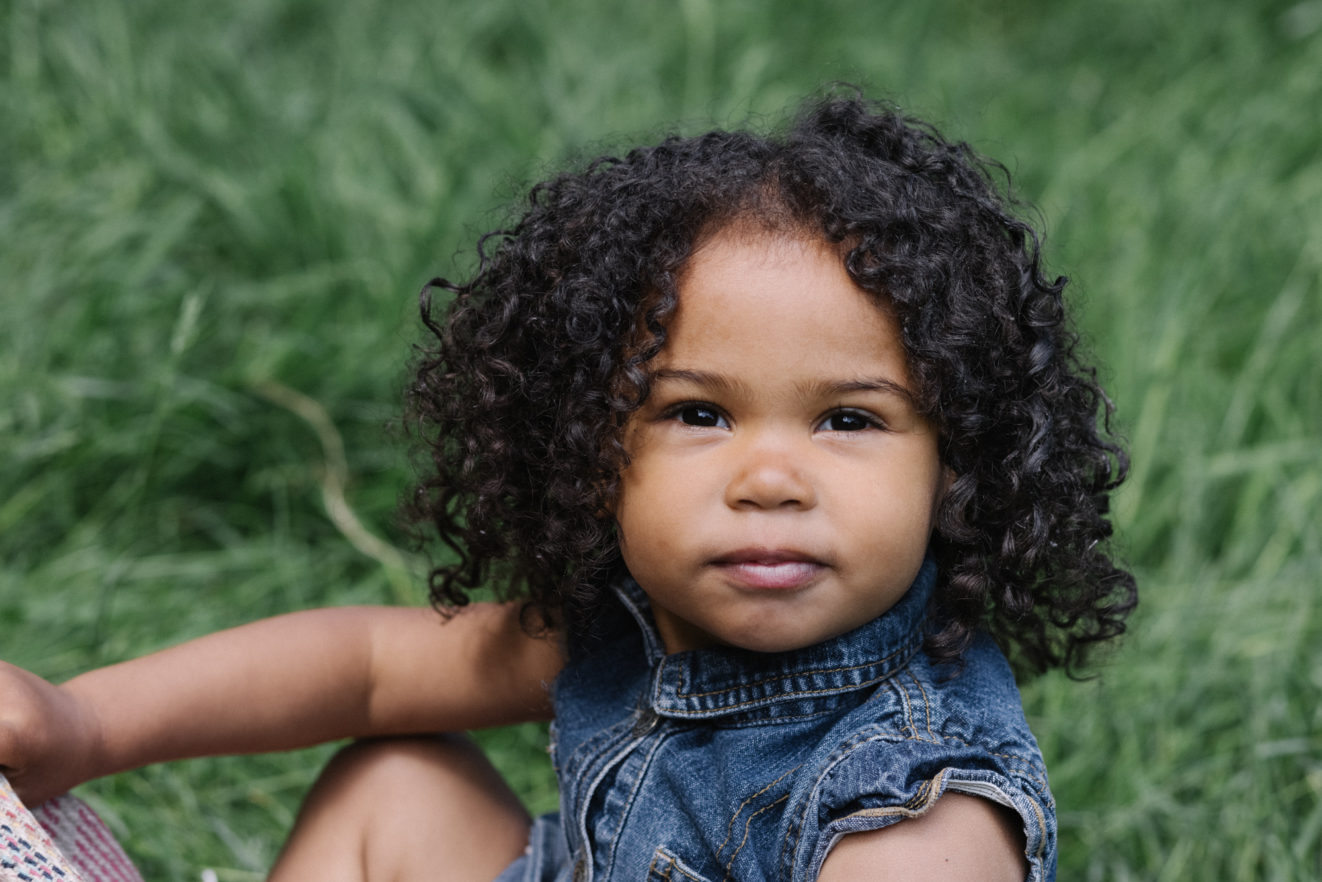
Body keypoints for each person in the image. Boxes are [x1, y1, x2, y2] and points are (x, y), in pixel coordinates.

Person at [0, 92, 1136, 881]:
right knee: (398, 777)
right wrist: (83, 723)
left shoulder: (914, 814)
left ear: (959, 461)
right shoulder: (640, 620)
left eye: (848, 419)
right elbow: (372, 668)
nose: (770, 478)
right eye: (697, 413)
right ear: (588, 445)